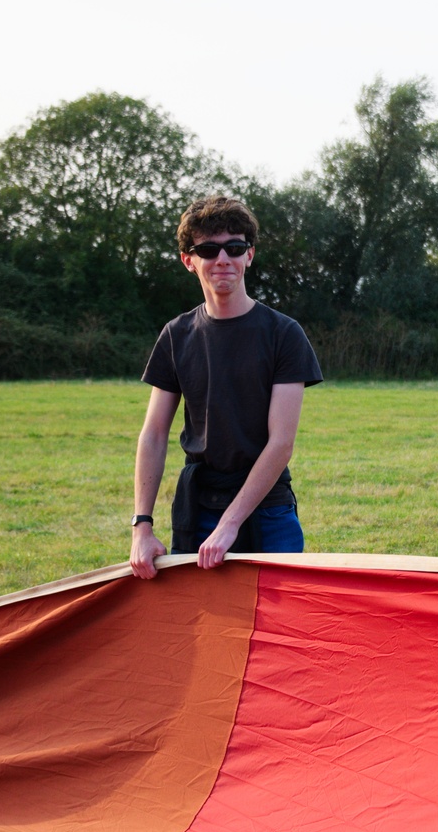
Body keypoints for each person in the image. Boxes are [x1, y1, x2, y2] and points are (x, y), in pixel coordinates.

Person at [130, 196, 322, 578]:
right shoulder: (176, 335)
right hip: (199, 508)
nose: (223, 259)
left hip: (269, 511)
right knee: (200, 616)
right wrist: (142, 527)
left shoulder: (284, 334)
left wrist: (230, 524)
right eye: (208, 249)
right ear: (188, 260)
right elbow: (153, 434)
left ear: (249, 255)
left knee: (276, 614)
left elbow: (281, 443)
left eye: (234, 248)